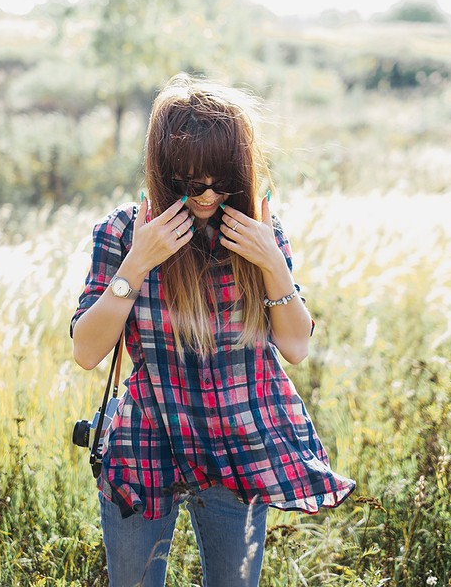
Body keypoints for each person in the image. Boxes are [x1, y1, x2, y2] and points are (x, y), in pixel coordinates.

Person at [70, 73, 355, 586]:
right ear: (162, 170)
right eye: (187, 180)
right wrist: (136, 266)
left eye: (221, 179)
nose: (205, 194)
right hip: (146, 440)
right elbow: (87, 352)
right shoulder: (122, 232)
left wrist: (274, 263)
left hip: (239, 442)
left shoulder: (258, 232)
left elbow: (295, 346)